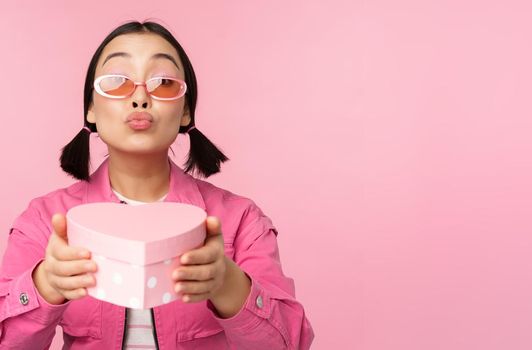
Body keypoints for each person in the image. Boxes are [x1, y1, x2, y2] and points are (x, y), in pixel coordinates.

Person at [0, 20, 314, 349]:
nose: (140, 98)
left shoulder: (240, 220)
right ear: (91, 108)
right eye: (117, 81)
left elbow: (290, 343)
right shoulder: (45, 220)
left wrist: (227, 283)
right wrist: (45, 284)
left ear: (185, 112)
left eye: (163, 82)